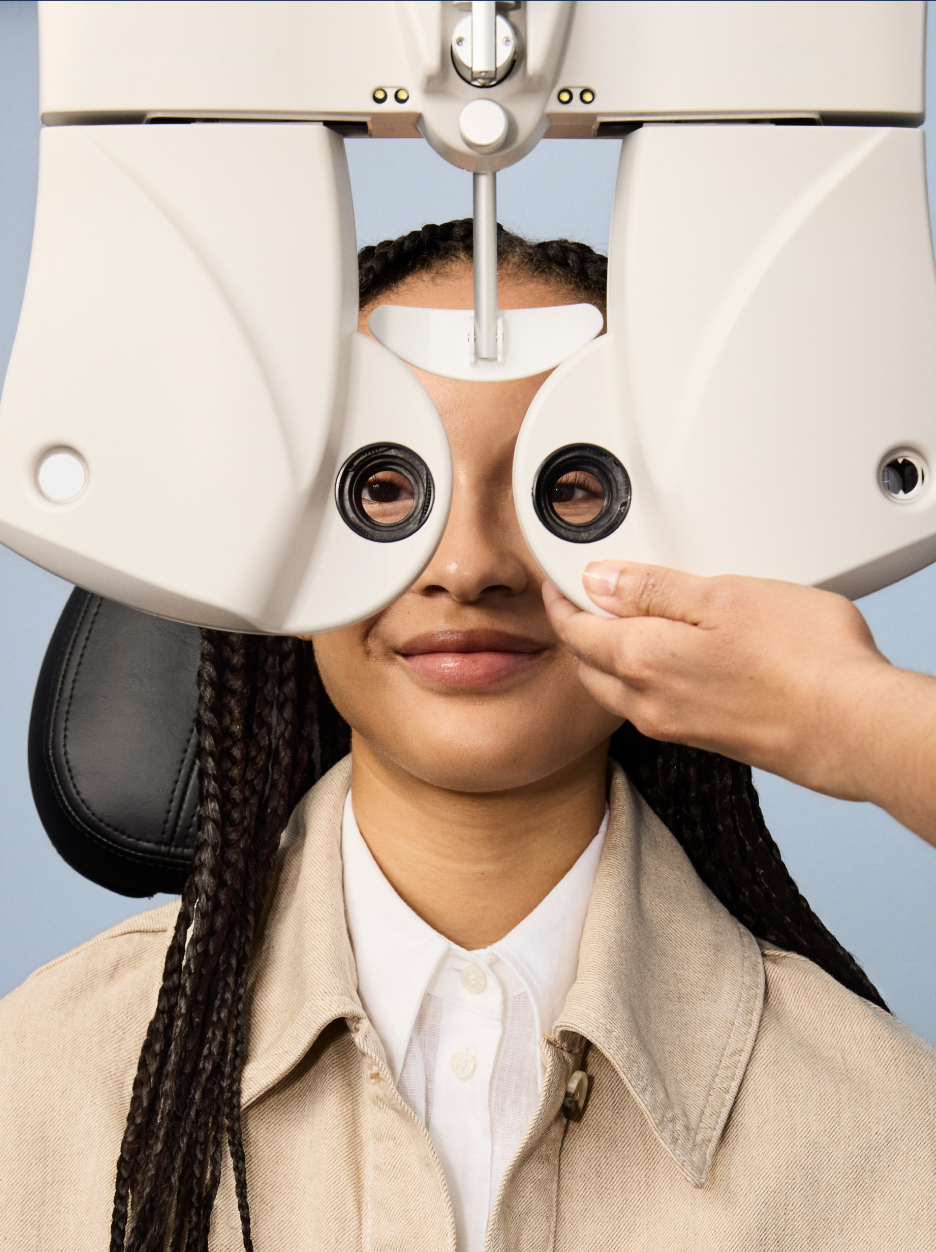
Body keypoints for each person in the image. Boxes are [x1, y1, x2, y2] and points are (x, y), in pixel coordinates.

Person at [1, 221, 935, 1252]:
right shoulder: (42, 1080)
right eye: (387, 486)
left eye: (569, 489)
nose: (471, 563)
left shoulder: (890, 1130)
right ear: (281, 544)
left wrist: (863, 718)